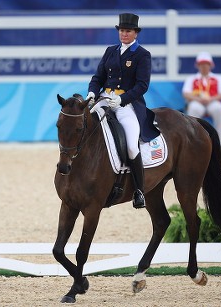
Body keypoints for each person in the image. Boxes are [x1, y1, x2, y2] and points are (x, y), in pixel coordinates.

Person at [85, 13, 159, 209]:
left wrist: (122, 99)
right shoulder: (110, 51)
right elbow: (98, 77)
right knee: (84, 127)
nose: (124, 34)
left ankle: (139, 191)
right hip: (104, 100)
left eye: (128, 31)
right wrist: (92, 93)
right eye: (122, 31)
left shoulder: (142, 54)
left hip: (126, 105)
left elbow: (142, 85)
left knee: (133, 146)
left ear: (135, 33)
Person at [182, 51, 221, 147]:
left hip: (212, 102)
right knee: (193, 108)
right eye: (201, 64)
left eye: (206, 64)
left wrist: (211, 99)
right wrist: (198, 99)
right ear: (197, 65)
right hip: (197, 102)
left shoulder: (217, 78)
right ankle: (193, 140)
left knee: (219, 109)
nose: (204, 66)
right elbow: (186, 93)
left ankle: (220, 140)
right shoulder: (191, 78)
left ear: (211, 65)